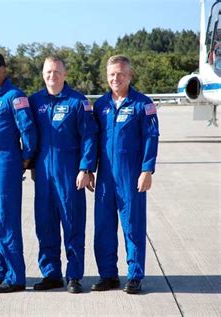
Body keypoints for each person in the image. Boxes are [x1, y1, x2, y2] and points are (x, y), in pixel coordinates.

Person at [29, 56, 99, 293]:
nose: (52, 76)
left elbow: (89, 136)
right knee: (45, 225)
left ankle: (74, 276)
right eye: (48, 72)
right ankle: (51, 274)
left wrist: (86, 168)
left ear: (65, 74)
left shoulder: (78, 102)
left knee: (73, 224)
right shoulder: (34, 101)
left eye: (57, 72)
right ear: (43, 74)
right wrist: (28, 165)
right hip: (43, 175)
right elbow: (27, 135)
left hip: (70, 174)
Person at [92, 55, 159, 294]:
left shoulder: (143, 104)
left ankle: (134, 275)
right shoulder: (100, 106)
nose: (115, 78)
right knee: (103, 227)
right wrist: (88, 168)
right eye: (111, 74)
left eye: (120, 74)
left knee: (132, 225)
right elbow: (92, 140)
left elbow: (151, 137)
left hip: (131, 176)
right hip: (105, 177)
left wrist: (147, 169)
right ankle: (108, 275)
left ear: (130, 75)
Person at [0, 51, 37, 293]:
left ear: (4, 70)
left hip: (4, 169)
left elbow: (29, 132)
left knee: (5, 221)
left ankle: (15, 277)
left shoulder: (14, 97)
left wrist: (24, 160)